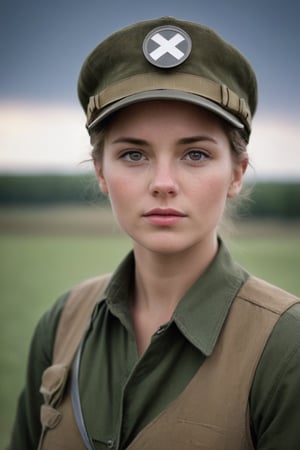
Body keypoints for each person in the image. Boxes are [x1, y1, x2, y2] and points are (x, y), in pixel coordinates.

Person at [8, 17, 300, 450]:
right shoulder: (63, 321)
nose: (163, 182)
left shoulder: (286, 346)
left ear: (237, 174)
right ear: (101, 172)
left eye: (195, 154)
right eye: (133, 154)